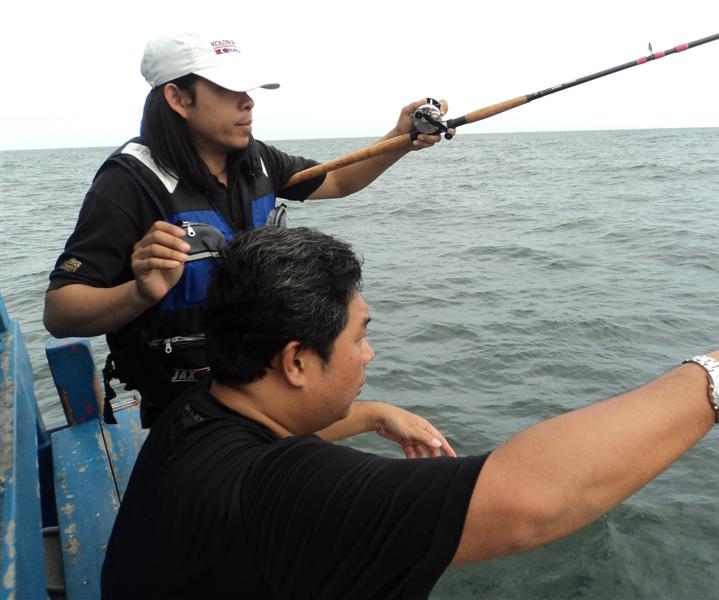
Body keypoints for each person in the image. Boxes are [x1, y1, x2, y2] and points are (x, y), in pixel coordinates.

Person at [100, 226, 719, 600]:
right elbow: (531, 501)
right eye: (359, 335)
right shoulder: (281, 496)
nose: (369, 354)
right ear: (295, 361)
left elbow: (276, 427)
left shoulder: (196, 410)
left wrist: (371, 413)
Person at [43, 32, 452, 427]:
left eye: (249, 89)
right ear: (178, 98)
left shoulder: (256, 159)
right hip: (185, 404)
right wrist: (139, 291)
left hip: (266, 386)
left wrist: (400, 139)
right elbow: (61, 312)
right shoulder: (127, 183)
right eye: (229, 89)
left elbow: (339, 181)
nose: (248, 102)